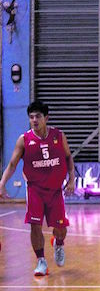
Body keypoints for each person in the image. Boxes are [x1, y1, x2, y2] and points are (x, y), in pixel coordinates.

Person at [0, 101, 75, 276]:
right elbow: (12, 164)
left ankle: (58, 243)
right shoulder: (24, 140)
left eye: (38, 116)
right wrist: (2, 183)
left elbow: (68, 158)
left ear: (46, 118)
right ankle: (41, 261)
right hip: (35, 189)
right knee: (35, 225)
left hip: (55, 190)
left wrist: (71, 180)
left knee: (61, 229)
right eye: (31, 117)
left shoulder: (58, 135)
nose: (34, 120)